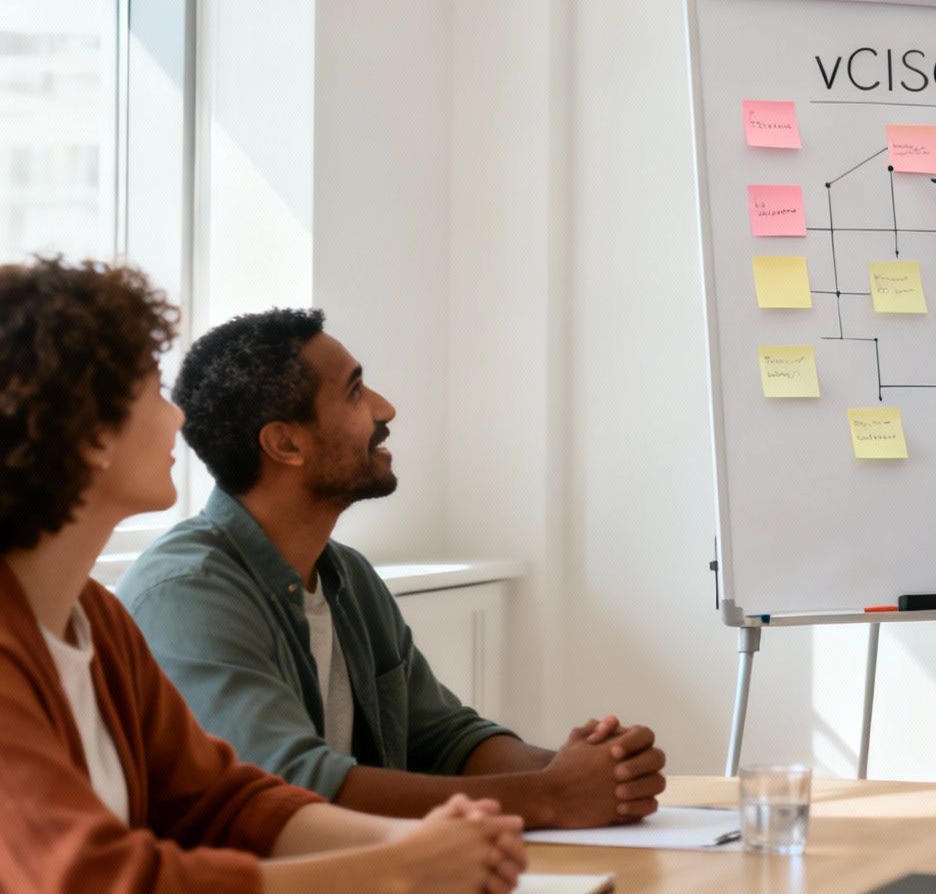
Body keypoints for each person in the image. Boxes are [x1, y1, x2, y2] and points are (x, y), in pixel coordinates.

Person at [0, 257, 525, 893]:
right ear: (85, 429)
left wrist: (420, 842)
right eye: (147, 390)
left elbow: (222, 801)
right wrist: (400, 865)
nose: (176, 419)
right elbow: (101, 878)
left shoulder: (96, 621)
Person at [118, 308, 666, 828]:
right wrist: (551, 797)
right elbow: (289, 787)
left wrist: (589, 769)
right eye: (355, 391)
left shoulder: (346, 576)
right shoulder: (187, 595)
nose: (385, 408)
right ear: (285, 443)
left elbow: (447, 739)